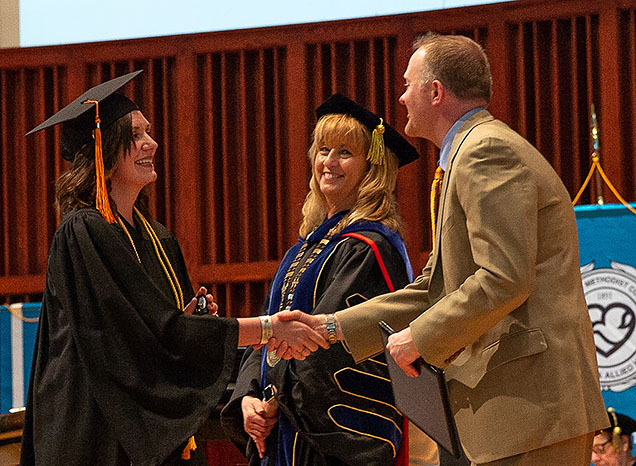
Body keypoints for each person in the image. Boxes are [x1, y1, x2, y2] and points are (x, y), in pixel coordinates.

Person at [284, 33, 609, 465]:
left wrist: (418, 337)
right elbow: (434, 287)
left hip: (530, 410)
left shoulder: (485, 151)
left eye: (407, 84)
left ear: (435, 92)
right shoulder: (467, 154)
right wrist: (331, 326)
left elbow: (503, 277)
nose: (400, 98)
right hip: (508, 412)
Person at [20, 71, 327, 466]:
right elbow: (149, 336)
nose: (152, 142)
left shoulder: (156, 238)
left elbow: (164, 331)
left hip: (137, 428)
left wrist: (194, 320)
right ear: (103, 148)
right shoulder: (84, 230)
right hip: (93, 424)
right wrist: (268, 328)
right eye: (136, 135)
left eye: (149, 131)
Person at [220, 94, 420, 466]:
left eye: (345, 152)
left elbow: (322, 346)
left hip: (328, 443)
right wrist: (249, 398)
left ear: (371, 168)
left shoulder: (369, 248)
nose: (328, 162)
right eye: (323, 149)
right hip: (286, 430)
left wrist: (275, 399)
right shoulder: (306, 247)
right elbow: (266, 330)